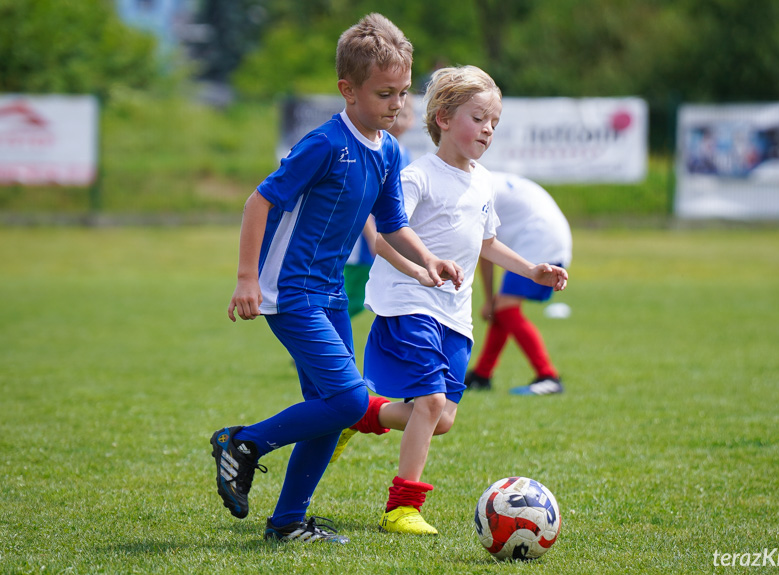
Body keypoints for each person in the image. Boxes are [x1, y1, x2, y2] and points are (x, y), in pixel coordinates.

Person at [209, 13, 462, 545]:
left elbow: (392, 224)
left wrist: (425, 264)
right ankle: (243, 444)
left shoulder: (389, 151)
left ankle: (286, 522)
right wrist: (245, 278)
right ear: (348, 91)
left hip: (327, 294)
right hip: (290, 291)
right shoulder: (325, 144)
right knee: (349, 402)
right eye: (383, 93)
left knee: (328, 412)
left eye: (402, 92)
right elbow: (259, 201)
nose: (396, 104)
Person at [330, 65, 568, 536]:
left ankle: (359, 413)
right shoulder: (418, 176)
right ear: (442, 117)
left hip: (453, 315)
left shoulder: (482, 181)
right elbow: (384, 238)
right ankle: (402, 507)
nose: (488, 130)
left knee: (443, 419)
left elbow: (487, 243)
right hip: (408, 303)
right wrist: (423, 267)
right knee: (431, 402)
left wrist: (531, 269)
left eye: (494, 122)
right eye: (479, 118)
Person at [464, 172, 572, 395]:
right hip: (547, 234)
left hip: (538, 239)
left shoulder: (475, 189)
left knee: (504, 308)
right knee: (504, 309)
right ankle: (482, 375)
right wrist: (492, 301)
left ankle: (548, 375)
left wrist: (488, 299)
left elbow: (484, 249)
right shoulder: (487, 179)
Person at [344, 94, 415, 318]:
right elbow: (363, 199)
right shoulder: (373, 150)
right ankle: (310, 351)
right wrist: (372, 236)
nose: (400, 120)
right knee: (348, 301)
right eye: (397, 114)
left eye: (405, 114)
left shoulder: (404, 154)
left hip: (388, 240)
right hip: (363, 242)